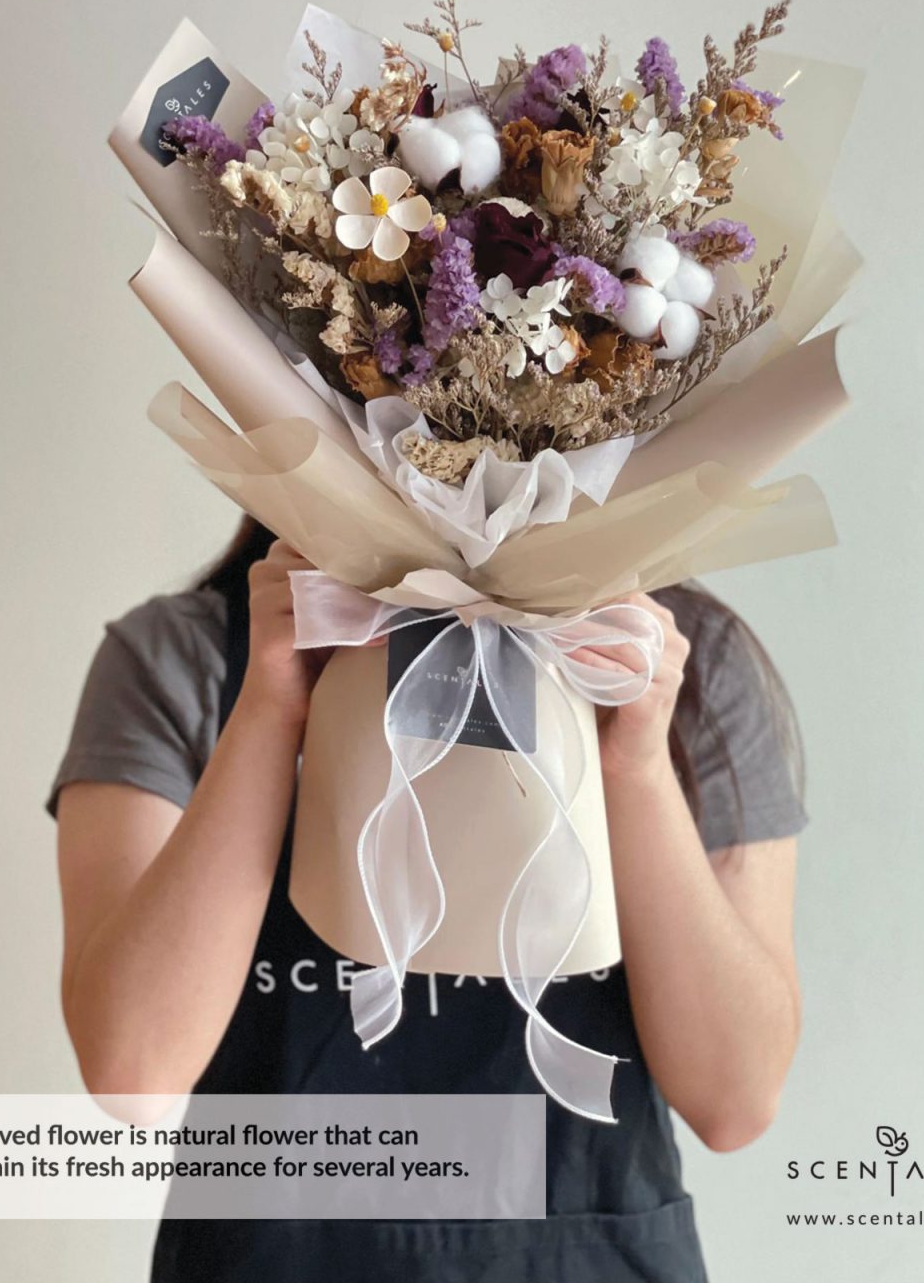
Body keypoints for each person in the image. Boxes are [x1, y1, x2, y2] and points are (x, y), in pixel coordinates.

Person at [50, 516, 809, 1282]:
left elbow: (735, 1102)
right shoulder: (184, 657)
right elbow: (134, 1077)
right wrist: (270, 707)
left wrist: (637, 765)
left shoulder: (678, 662)